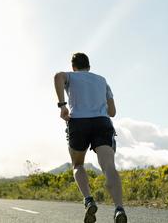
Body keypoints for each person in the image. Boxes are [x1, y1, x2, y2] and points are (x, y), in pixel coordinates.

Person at [54, 53, 127, 223]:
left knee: (78, 164)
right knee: (109, 166)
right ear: (89, 66)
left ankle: (88, 200)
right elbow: (112, 112)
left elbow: (58, 76)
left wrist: (63, 106)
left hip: (78, 123)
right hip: (102, 122)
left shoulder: (71, 76)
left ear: (74, 67)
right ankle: (119, 208)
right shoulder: (102, 81)